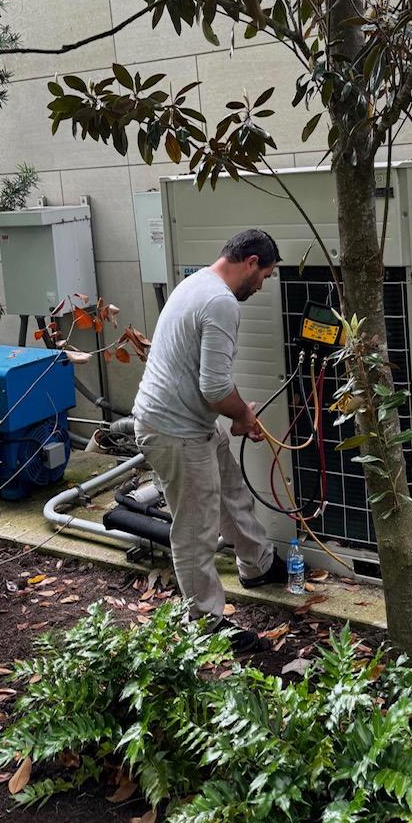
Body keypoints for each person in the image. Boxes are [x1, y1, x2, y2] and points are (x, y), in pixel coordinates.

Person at [132, 229, 287, 652]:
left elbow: (209, 383)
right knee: (196, 528)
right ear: (251, 262)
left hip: (190, 421)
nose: (261, 286)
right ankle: (205, 624)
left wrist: (238, 415)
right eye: (265, 276)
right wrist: (242, 414)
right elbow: (216, 387)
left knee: (232, 494)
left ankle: (257, 565)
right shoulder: (220, 301)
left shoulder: (198, 283)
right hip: (173, 430)